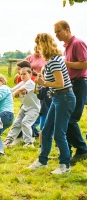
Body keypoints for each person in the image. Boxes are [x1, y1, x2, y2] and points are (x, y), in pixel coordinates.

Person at [28, 33, 76, 174]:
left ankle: (64, 165)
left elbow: (59, 83)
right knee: (46, 131)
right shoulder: (53, 60)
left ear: (44, 45)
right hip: (58, 97)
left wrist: (44, 82)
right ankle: (42, 161)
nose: (37, 48)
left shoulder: (54, 61)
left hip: (64, 97)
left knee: (59, 134)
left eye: (39, 45)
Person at [54, 20, 87, 165]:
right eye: (55, 32)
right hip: (71, 84)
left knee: (71, 118)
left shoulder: (77, 43)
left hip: (79, 83)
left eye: (58, 31)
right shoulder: (67, 47)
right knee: (66, 119)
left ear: (67, 29)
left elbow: (85, 63)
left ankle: (82, 150)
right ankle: (69, 150)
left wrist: (65, 63)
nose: (56, 35)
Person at [4, 67, 40, 148]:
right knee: (16, 124)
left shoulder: (30, 83)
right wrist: (3, 88)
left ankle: (29, 143)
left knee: (25, 123)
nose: (22, 76)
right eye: (21, 74)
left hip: (34, 108)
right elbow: (12, 90)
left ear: (30, 74)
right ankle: (8, 141)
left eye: (24, 74)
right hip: (24, 107)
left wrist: (13, 95)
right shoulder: (22, 83)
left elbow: (19, 90)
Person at [26, 46, 47, 137]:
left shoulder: (45, 58)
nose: (37, 51)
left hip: (42, 82)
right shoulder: (30, 57)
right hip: (32, 82)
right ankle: (33, 128)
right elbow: (24, 68)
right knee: (33, 104)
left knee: (40, 105)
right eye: (36, 49)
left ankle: (34, 127)